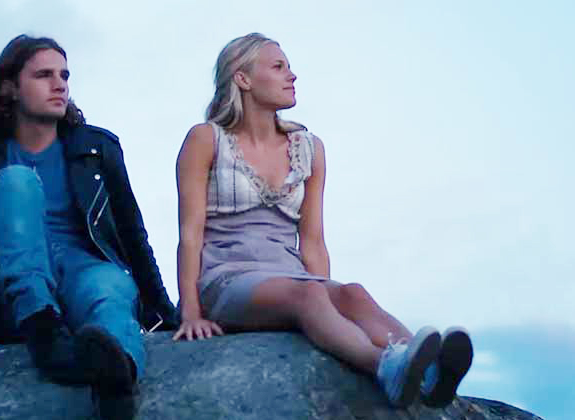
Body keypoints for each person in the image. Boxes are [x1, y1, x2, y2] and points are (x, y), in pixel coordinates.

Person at [172, 33, 474, 408]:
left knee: (353, 293)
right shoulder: (206, 140)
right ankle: (386, 367)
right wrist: (190, 312)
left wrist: (330, 304)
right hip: (227, 278)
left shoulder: (309, 148)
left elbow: (313, 240)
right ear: (243, 78)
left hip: (291, 276)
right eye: (278, 67)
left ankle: (429, 370)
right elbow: (190, 233)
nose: (292, 75)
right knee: (309, 294)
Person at [0, 34, 179, 419]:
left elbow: (134, 239)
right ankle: (45, 333)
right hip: (15, 289)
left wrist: (167, 317)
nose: (59, 84)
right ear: (9, 88)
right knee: (16, 181)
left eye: (64, 75)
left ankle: (118, 379)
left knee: (110, 285)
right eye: (43, 75)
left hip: (81, 275)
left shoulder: (97, 148)